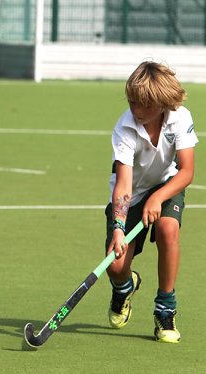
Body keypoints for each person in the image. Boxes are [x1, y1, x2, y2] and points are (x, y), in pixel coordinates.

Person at [104, 61, 198, 343]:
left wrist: (158, 197)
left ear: (160, 103)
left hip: (167, 185)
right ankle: (123, 288)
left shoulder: (180, 118)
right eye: (131, 101)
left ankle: (165, 309)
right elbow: (122, 184)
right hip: (132, 193)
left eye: (142, 104)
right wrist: (119, 227)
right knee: (116, 266)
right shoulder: (125, 127)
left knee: (169, 229)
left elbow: (187, 171)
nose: (135, 109)